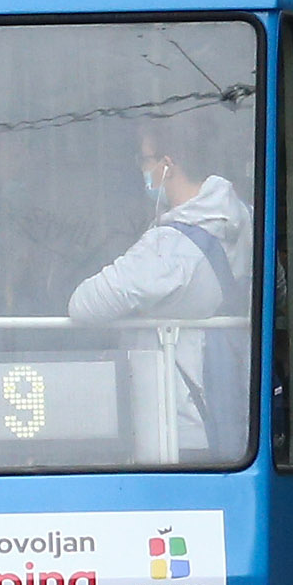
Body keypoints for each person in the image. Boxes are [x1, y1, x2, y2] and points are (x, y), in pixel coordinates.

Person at [67, 109, 252, 460]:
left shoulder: (167, 247)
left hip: (178, 427)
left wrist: (138, 307)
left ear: (168, 164)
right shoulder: (245, 217)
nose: (141, 168)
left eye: (144, 159)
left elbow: (84, 304)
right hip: (235, 413)